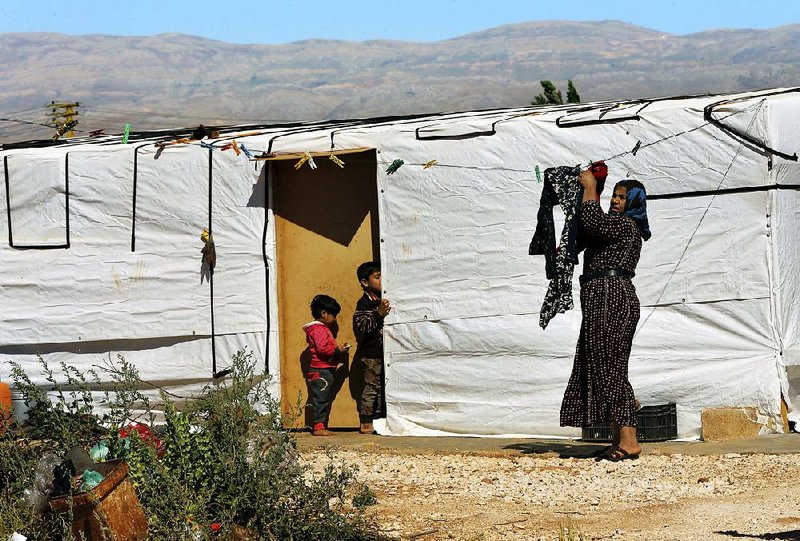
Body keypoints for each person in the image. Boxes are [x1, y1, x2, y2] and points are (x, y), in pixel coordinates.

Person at [560, 170, 652, 461]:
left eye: (623, 197)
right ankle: (618, 439)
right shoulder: (614, 226)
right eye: (615, 194)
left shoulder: (626, 226)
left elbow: (591, 221)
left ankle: (630, 440)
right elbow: (589, 229)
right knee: (603, 365)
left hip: (612, 297)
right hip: (601, 298)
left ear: (635, 203)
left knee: (611, 368)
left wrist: (589, 186)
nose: (615, 200)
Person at [303, 294, 350, 437]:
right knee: (321, 399)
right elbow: (322, 349)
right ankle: (318, 427)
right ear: (324, 313)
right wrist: (338, 350)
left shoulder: (319, 329)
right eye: (333, 315)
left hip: (323, 370)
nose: (335, 319)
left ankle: (320, 425)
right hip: (321, 371)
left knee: (322, 398)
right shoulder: (319, 329)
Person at [353, 261, 391, 434]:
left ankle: (379, 420)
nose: (382, 280)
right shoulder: (364, 304)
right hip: (371, 354)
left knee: (383, 387)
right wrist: (379, 314)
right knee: (371, 388)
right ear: (365, 282)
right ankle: (366, 422)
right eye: (377, 277)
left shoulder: (383, 299)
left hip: (386, 354)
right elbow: (362, 328)